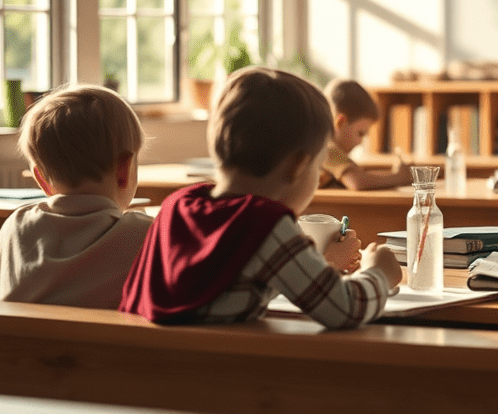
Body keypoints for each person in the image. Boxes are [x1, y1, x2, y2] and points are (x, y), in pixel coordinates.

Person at [119, 67, 401, 327]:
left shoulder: (176, 206)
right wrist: (380, 274)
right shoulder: (266, 224)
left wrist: (322, 262)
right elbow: (345, 308)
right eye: (317, 167)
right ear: (298, 167)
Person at [0, 85, 153, 309]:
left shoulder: (14, 230)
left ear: (42, 180)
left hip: (16, 345)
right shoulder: (146, 237)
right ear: (124, 171)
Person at [321, 78, 414, 190]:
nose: (360, 142)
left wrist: (395, 175)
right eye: (360, 133)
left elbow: (362, 176)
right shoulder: (326, 149)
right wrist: (400, 177)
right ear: (340, 122)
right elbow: (357, 182)